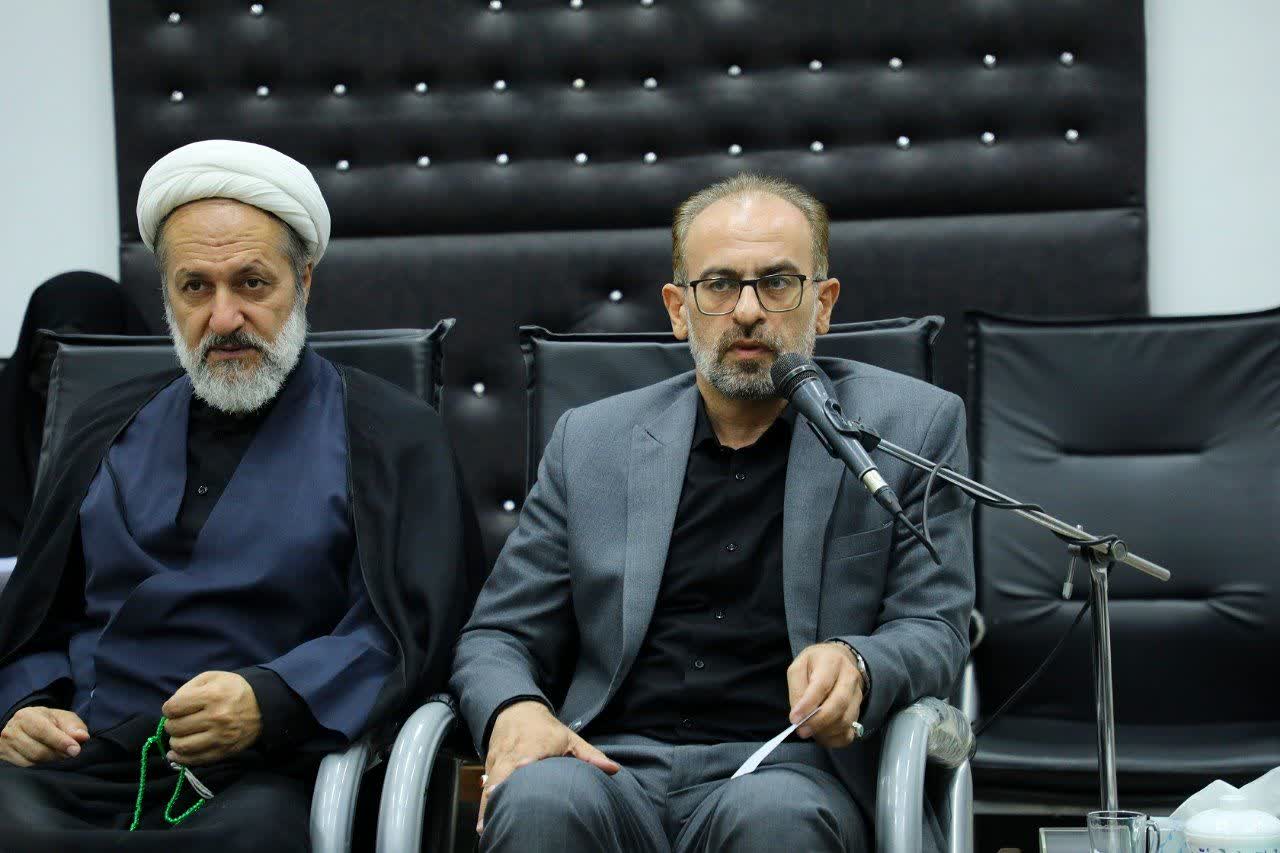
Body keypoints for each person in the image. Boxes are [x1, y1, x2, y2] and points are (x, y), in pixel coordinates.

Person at [452, 173, 975, 852]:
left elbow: (935, 625)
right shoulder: (592, 441)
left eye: (778, 283)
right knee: (540, 801)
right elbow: (499, 634)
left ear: (822, 303)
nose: (748, 311)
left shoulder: (910, 427)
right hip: (612, 766)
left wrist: (861, 661)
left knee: (775, 820)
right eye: (720, 285)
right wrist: (514, 708)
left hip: (796, 770)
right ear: (679, 309)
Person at [0, 139, 482, 851]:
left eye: (251, 284)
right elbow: (36, 621)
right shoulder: (104, 427)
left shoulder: (390, 436)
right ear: (168, 296)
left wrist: (274, 698)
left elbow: (409, 631)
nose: (224, 318)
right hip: (83, 760)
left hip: (265, 773)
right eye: (196, 288)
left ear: (303, 281)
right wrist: (27, 704)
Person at [0, 272, 147, 564]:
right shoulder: (10, 418)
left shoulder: (169, 418)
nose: (65, 368)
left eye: (85, 351)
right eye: (51, 350)